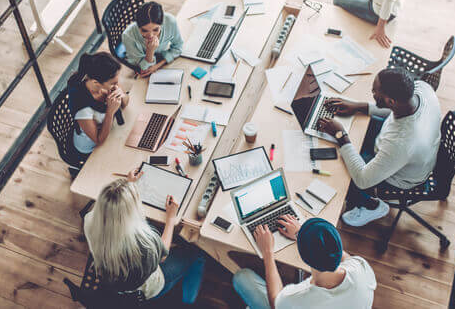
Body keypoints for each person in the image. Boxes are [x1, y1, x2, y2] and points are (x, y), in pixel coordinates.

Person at [318, 67, 441, 227]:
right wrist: (358, 106)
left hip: (401, 178)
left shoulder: (401, 143)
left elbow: (363, 180)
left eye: (375, 91)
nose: (372, 92)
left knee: (343, 174)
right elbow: (393, 112)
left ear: (390, 101)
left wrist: (340, 134)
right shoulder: (421, 89)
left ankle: (372, 205)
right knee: (353, 140)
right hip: (403, 146)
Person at [83, 169, 206, 303]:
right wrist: (171, 218)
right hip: (147, 290)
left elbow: (113, 208)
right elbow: (163, 255)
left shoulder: (89, 220)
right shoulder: (143, 242)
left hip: (113, 281)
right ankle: (188, 301)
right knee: (197, 254)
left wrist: (128, 184)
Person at [232, 216, 376, 308]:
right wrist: (302, 234)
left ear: (304, 257)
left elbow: (276, 302)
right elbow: (339, 254)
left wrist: (268, 252)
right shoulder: (361, 267)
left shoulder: (298, 299)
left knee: (242, 277)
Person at [67, 52, 129, 157]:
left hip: (110, 130)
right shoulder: (83, 108)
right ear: (96, 83)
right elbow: (98, 140)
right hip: (91, 148)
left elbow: (125, 103)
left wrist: (121, 93)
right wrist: (110, 111)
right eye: (114, 83)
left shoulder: (107, 83)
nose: (116, 85)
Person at [122, 1, 183, 77]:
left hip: (160, 60)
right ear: (138, 25)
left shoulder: (170, 22)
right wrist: (150, 51)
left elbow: (178, 47)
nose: (150, 35)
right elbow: (144, 69)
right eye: (144, 30)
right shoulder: (128, 36)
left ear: (162, 24)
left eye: (156, 30)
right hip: (141, 64)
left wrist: (158, 65)